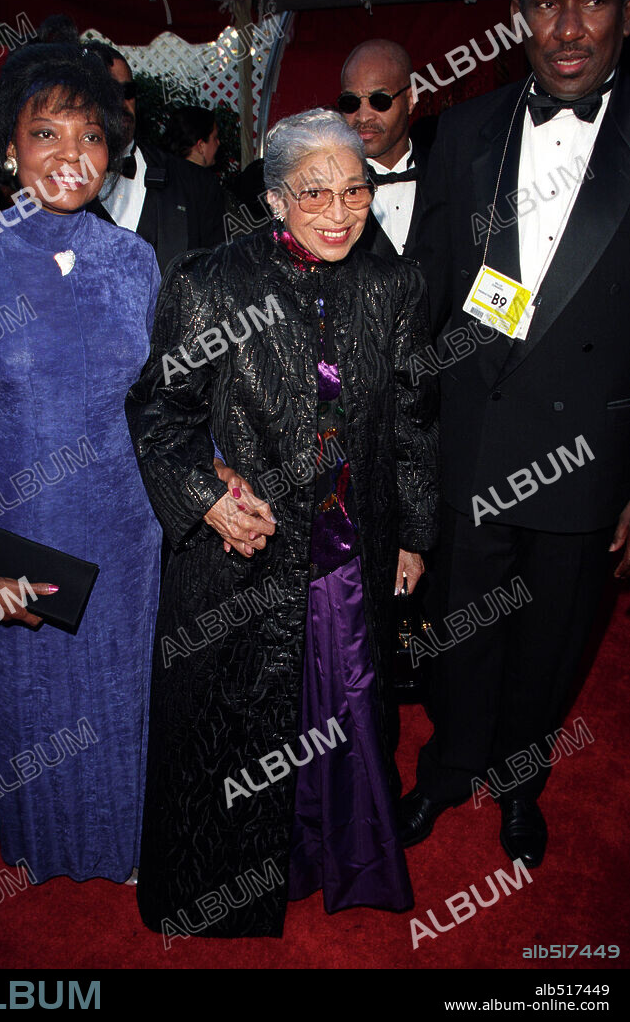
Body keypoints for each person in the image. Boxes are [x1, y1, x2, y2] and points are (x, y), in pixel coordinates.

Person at [125, 108, 439, 938]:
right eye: (314, 195)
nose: (338, 213)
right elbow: (159, 412)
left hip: (348, 543)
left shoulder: (393, 284)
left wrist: (413, 528)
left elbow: (411, 415)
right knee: (236, 718)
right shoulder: (210, 282)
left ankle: (334, 857)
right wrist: (205, 493)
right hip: (243, 551)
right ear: (272, 200)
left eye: (354, 193)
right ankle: (219, 885)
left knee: (344, 705)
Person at [401, 0, 630, 869]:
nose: (567, 26)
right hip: (472, 446)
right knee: (459, 634)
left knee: (551, 645)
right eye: (547, 4)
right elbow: (424, 294)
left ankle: (519, 780)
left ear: (623, 12)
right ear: (518, 14)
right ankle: (448, 767)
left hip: (589, 456)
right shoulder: (462, 132)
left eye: (592, 3)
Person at [0, 42, 162, 884]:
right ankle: (50, 842)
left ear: (113, 150)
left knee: (122, 694)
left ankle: (127, 843)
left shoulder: (134, 262)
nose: (72, 155)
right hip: (27, 526)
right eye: (46, 134)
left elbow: (160, 398)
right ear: (9, 149)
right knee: (38, 700)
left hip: (131, 526)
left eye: (91, 136)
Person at [85, 44, 225, 274]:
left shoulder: (196, 186)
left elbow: (219, 281)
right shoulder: (55, 193)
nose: (121, 103)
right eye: (108, 93)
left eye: (128, 91)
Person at [339, 39, 427, 258]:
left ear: (410, 99)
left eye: (379, 101)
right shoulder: (327, 191)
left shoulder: (449, 176)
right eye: (351, 102)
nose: (363, 116)